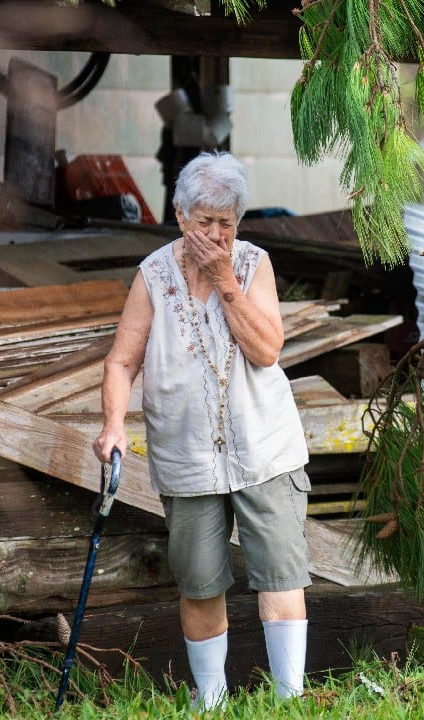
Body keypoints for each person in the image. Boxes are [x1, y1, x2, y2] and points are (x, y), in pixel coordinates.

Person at [93, 152, 311, 708]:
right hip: (186, 454)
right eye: (204, 222)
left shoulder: (253, 263)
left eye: (226, 223)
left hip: (264, 448)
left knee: (281, 574)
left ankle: (290, 699)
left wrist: (224, 280)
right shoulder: (154, 274)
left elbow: (267, 348)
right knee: (199, 580)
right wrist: (113, 425)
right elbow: (121, 361)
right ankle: (209, 699)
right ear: (179, 214)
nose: (215, 235)